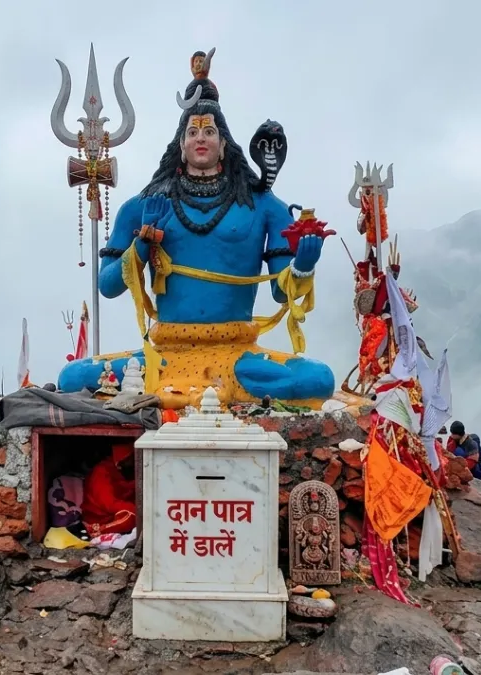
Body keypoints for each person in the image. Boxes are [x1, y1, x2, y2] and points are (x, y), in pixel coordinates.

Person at [56, 49, 334, 409]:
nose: (200, 138)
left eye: (209, 131)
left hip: (237, 355)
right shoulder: (144, 206)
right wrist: (143, 243)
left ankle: (202, 391)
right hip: (164, 356)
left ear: (223, 143)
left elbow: (284, 294)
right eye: (192, 131)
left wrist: (303, 266)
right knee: (72, 378)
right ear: (181, 144)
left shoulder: (263, 205)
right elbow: (107, 285)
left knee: (318, 379)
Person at [81, 443, 137, 538]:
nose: (134, 463)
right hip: (99, 518)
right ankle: (96, 532)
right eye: (131, 459)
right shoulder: (101, 473)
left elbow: (125, 487)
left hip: (115, 513)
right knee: (133, 514)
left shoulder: (121, 470)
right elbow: (109, 503)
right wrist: (135, 508)